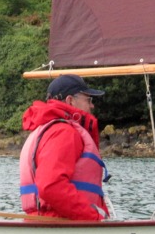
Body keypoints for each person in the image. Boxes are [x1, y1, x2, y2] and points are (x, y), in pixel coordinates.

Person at [19, 74, 110, 221]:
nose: (92, 105)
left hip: (48, 225)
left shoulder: (47, 129)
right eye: (88, 100)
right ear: (70, 101)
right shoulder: (64, 132)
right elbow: (50, 186)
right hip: (62, 226)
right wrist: (94, 218)